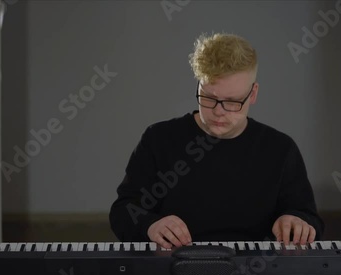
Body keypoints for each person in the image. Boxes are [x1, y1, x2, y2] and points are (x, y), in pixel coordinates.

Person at [109, 32, 324, 249]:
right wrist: (150, 225)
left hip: (257, 268)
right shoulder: (158, 139)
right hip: (175, 265)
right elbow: (123, 212)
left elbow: (308, 217)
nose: (219, 112)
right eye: (209, 98)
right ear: (198, 87)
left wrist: (297, 221)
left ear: (253, 94)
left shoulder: (280, 149)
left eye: (232, 102)